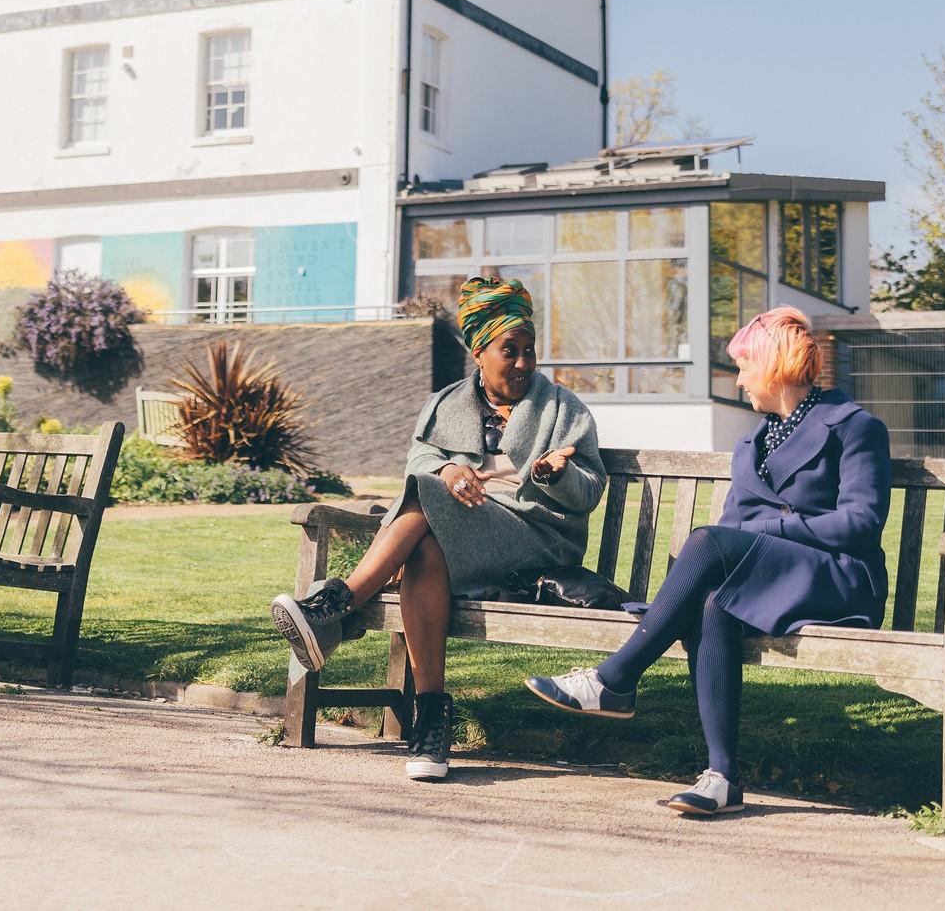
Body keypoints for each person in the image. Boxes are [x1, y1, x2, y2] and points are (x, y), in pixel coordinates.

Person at [525, 305, 891, 816]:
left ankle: (616, 679)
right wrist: (747, 541)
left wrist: (771, 528)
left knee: (705, 542)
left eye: (743, 366)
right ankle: (722, 778)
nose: (739, 381)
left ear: (772, 366)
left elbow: (862, 523)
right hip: (768, 578)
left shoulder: (854, 427)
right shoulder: (751, 444)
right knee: (711, 601)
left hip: (837, 578)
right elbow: (731, 530)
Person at [270, 276, 606, 781]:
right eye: (509, 351)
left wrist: (551, 474)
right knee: (424, 548)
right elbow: (422, 459)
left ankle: (336, 608)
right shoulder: (447, 404)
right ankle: (431, 721)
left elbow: (591, 489)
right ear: (479, 352)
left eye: (529, 351)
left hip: (537, 539)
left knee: (423, 498)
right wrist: (449, 470)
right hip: (463, 538)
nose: (522, 363)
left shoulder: (563, 409)